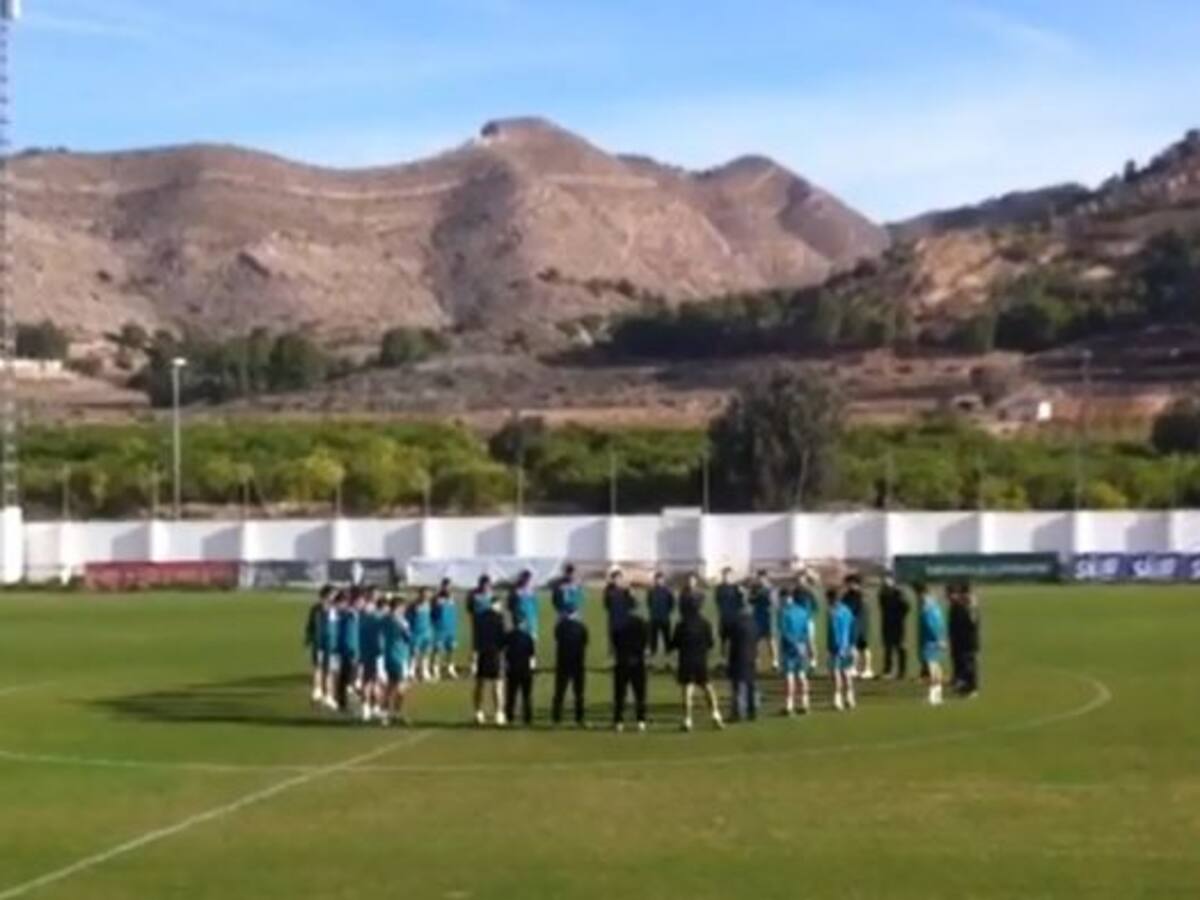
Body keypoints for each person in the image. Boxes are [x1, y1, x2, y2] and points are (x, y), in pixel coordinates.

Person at [670, 598, 724, 732]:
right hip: (701, 660)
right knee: (707, 687)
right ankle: (716, 714)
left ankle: (687, 719)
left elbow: (674, 643)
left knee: (687, 690)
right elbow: (711, 643)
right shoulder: (705, 623)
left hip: (686, 660)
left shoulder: (681, 625)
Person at [612, 600, 650, 732]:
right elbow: (646, 642)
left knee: (620, 693)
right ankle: (641, 720)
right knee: (640, 693)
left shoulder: (618, 623)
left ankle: (618, 721)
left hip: (622, 660)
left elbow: (615, 642)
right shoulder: (642, 623)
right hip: (638, 661)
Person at [473, 593, 508, 726]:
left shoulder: (480, 618)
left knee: (480, 684)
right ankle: (499, 713)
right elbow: (503, 637)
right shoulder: (500, 618)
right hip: (496, 654)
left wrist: (475, 653)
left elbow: (476, 637)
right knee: (497, 684)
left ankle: (478, 712)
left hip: (482, 652)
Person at [552, 610, 589, 727]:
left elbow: (556, 638)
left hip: (562, 663)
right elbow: (585, 642)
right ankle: (579, 718)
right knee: (579, 692)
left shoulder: (559, 627)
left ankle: (556, 717)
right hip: (578, 663)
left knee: (559, 691)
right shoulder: (581, 627)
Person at [380, 597, 413, 727]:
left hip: (388, 655)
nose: (404, 609)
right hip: (400, 656)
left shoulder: (385, 619)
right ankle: (395, 714)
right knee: (400, 687)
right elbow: (408, 638)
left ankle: (385, 715)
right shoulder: (401, 622)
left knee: (390, 686)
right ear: (398, 607)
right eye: (403, 607)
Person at [727, 597, 759, 723]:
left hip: (739, 657)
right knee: (751, 685)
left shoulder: (737, 625)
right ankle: (752, 710)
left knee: (738, 686)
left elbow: (733, 643)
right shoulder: (754, 624)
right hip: (752, 657)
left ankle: (738, 713)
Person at [948, 581, 981, 697]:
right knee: (965, 664)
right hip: (964, 640)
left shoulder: (971, 606)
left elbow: (972, 623)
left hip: (970, 641)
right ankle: (966, 686)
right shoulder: (964, 606)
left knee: (970, 665)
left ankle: (973, 689)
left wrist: (969, 607)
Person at [305, 585, 336, 705]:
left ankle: (327, 694)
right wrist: (310, 639)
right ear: (326, 595)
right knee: (319, 667)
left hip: (331, 643)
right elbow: (312, 625)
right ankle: (318, 690)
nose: (334, 597)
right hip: (321, 643)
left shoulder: (333, 608)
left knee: (329, 669)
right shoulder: (317, 609)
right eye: (332, 594)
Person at [917, 582, 948, 706]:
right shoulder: (935, 606)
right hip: (933, 639)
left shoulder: (927, 607)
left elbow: (931, 625)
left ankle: (933, 695)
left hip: (929, 641)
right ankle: (937, 694)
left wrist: (937, 639)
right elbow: (939, 624)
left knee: (932, 666)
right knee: (936, 665)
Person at [827, 587, 857, 711]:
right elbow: (852, 628)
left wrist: (832, 647)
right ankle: (850, 698)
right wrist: (851, 645)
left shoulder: (833, 612)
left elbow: (833, 632)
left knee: (836, 673)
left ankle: (837, 699)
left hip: (836, 647)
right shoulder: (847, 610)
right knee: (846, 673)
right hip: (847, 646)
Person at [357, 589, 384, 723]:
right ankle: (373, 707)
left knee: (369, 680)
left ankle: (368, 707)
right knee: (373, 681)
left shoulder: (364, 613)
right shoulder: (375, 615)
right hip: (375, 651)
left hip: (366, 650)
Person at [503, 620, 537, 727]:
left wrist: (506, 665)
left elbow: (504, 651)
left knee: (511, 695)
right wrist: (532, 669)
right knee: (526, 695)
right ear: (523, 624)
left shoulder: (509, 636)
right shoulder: (528, 637)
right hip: (525, 670)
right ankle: (528, 717)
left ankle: (509, 716)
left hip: (512, 669)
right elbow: (532, 655)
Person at [878, 572, 911, 680]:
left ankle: (902, 671)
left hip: (898, 624)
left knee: (900, 647)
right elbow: (882, 604)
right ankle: (888, 670)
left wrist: (899, 616)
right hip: (887, 623)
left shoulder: (899, 593)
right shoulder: (883, 594)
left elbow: (906, 607)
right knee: (888, 648)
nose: (886, 582)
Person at [334, 589, 362, 712]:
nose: (362, 603)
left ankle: (342, 702)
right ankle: (345, 700)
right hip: (349, 648)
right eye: (360, 601)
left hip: (350, 648)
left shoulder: (351, 613)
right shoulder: (350, 613)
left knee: (346, 676)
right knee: (348, 676)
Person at [842, 574, 874, 680]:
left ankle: (858, 668)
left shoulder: (857, 596)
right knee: (861, 646)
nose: (847, 585)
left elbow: (852, 610)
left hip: (857, 623)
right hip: (859, 623)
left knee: (857, 646)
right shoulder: (850, 595)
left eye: (849, 583)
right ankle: (862, 669)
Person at [749, 571, 779, 672]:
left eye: (762, 578)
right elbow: (750, 601)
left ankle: (775, 661)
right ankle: (756, 661)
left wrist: (768, 596)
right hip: (757, 616)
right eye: (758, 578)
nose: (760, 580)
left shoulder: (772, 589)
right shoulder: (754, 589)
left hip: (768, 617)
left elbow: (775, 604)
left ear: (766, 578)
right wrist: (755, 595)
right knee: (755, 641)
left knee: (771, 640)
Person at [431, 578, 460, 681]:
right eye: (446, 586)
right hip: (440, 628)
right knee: (438, 649)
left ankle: (450, 668)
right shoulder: (437, 598)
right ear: (442, 586)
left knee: (451, 648)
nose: (448, 588)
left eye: (449, 586)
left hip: (451, 628)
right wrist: (435, 624)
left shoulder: (452, 598)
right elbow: (433, 613)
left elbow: (454, 612)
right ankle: (435, 669)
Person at [512, 570, 541, 669]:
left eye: (529, 578)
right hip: (520, 621)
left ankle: (532, 665)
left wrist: (534, 619)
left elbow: (535, 606)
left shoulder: (532, 591)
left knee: (532, 643)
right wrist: (516, 618)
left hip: (531, 621)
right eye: (526, 578)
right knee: (520, 644)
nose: (527, 580)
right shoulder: (516, 591)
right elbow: (511, 606)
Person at [646, 571, 676, 668]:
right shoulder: (651, 591)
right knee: (652, 640)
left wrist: (666, 612)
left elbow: (672, 604)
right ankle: (652, 662)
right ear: (655, 580)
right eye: (657, 579)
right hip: (654, 619)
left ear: (663, 580)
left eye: (661, 579)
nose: (659, 581)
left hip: (664, 619)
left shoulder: (668, 591)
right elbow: (649, 603)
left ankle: (668, 662)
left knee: (667, 639)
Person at [467, 575, 495, 677]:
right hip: (478, 623)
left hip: (490, 624)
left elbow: (495, 608)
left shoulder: (491, 594)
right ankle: (473, 667)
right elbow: (469, 608)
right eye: (483, 584)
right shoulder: (473, 594)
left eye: (487, 584)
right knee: (476, 646)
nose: (485, 586)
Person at [714, 568, 744, 663]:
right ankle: (722, 660)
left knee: (735, 640)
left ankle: (735, 659)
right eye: (725, 575)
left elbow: (742, 603)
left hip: (734, 618)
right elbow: (718, 602)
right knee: (723, 640)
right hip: (724, 618)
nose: (726, 577)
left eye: (728, 575)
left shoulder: (737, 588)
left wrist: (742, 593)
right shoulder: (719, 588)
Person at [407, 588, 435, 682]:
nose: (426, 596)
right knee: (414, 652)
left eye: (428, 594)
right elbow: (408, 618)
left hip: (427, 632)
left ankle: (424, 671)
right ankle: (411, 672)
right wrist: (410, 630)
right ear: (420, 594)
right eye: (424, 594)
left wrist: (430, 629)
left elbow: (431, 617)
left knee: (426, 652)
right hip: (416, 632)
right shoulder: (413, 605)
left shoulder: (430, 604)